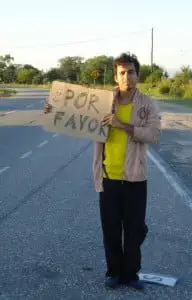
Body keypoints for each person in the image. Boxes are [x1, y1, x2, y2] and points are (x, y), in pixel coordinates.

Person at [44, 52, 161, 291]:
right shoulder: (103, 102)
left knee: (135, 229)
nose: (126, 76)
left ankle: (131, 274)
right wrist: (55, 111)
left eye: (130, 72)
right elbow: (75, 117)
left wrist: (122, 125)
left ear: (137, 74)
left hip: (135, 178)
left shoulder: (147, 104)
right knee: (110, 229)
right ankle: (114, 272)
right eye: (122, 73)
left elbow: (154, 134)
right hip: (108, 177)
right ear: (116, 76)